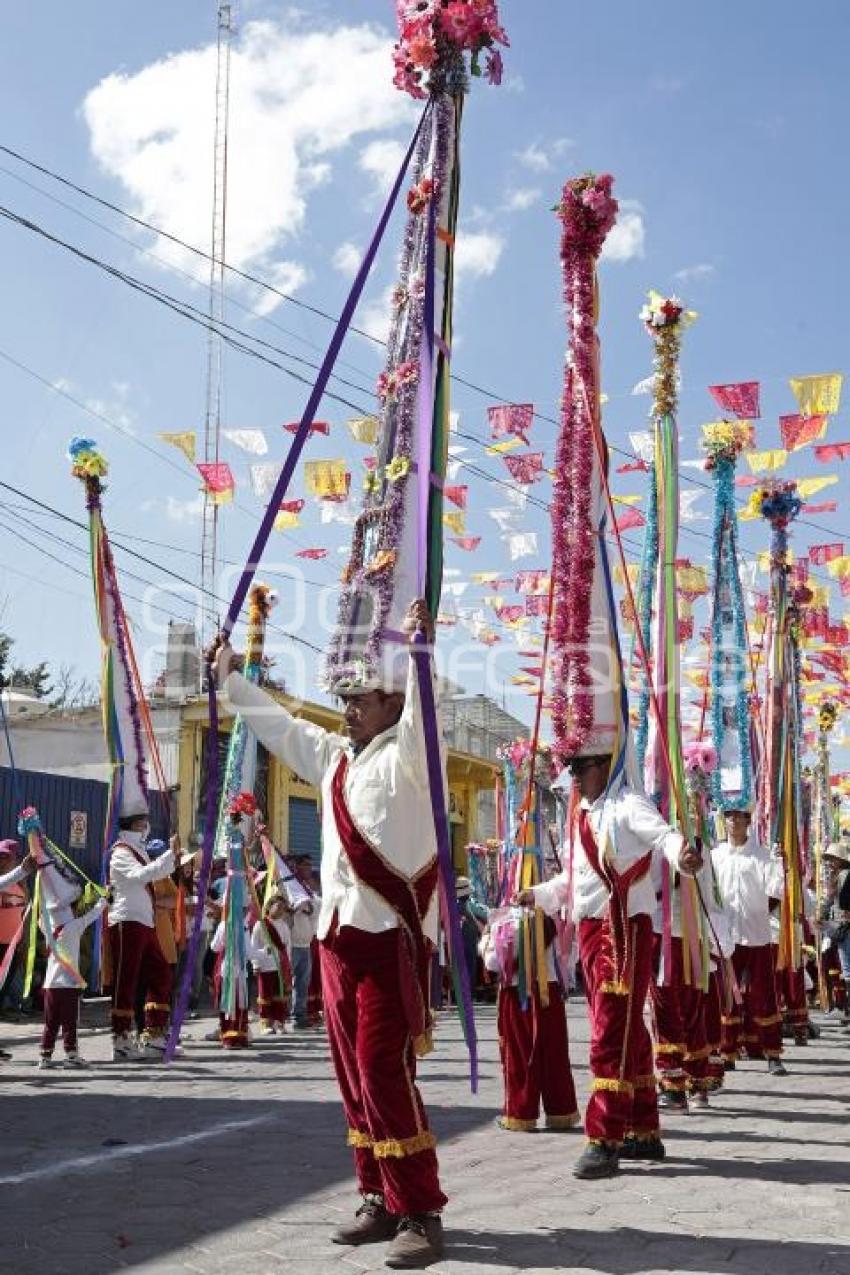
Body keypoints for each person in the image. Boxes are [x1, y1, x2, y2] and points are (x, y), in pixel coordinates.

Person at [212, 597, 447, 1269]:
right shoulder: (336, 758)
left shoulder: (411, 756)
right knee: (351, 1075)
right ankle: (378, 1195)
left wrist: (421, 652)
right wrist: (231, 678)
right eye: (344, 699)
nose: (347, 709)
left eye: (360, 699)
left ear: (393, 703)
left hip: (388, 940)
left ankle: (421, 1209)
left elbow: (425, 715)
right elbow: (280, 726)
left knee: (381, 1069)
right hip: (337, 939)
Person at [515, 750, 701, 1179]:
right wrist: (539, 894)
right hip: (591, 932)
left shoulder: (628, 804)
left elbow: (665, 836)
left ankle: (604, 1137)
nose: (575, 777)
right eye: (572, 770)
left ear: (604, 765)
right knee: (628, 1031)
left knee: (609, 1032)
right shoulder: (581, 814)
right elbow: (573, 880)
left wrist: (684, 856)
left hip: (622, 931)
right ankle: (643, 1128)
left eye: (581, 768)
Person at [481, 906, 579, 1133]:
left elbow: (493, 962)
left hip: (517, 995)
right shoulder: (554, 920)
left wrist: (485, 938)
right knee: (554, 1055)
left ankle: (521, 1113)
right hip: (550, 993)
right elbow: (570, 956)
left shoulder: (505, 921)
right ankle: (561, 1112)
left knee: (520, 1054)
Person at [711, 806, 787, 1075]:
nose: (733, 821)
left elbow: (776, 891)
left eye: (738, 816)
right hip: (726, 938)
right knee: (726, 996)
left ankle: (772, 1052)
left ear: (747, 820)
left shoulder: (762, 856)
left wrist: (781, 865)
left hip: (756, 936)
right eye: (728, 816)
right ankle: (727, 1050)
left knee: (763, 995)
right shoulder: (716, 855)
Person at [107, 806, 183, 1061]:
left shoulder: (138, 850)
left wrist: (172, 856)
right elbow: (140, 875)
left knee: (162, 974)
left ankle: (154, 1035)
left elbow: (156, 872)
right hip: (127, 920)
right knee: (126, 981)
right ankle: (121, 1040)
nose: (146, 827)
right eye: (142, 823)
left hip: (145, 921)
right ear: (133, 824)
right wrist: (169, 854)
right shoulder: (120, 852)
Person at [40, 889, 109, 1069]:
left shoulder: (47, 927)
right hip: (69, 984)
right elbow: (93, 915)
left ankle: (45, 1056)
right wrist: (104, 900)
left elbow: (41, 916)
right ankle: (71, 1054)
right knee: (69, 1022)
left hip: (50, 984)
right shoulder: (74, 926)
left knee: (50, 1022)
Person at [285, 853, 319, 1030]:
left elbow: (315, 909)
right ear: (296, 867)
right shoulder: (290, 886)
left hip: (306, 942)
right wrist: (300, 907)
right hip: (291, 942)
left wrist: (309, 908)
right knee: (287, 981)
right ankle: (279, 1016)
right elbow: (285, 909)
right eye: (305, 865)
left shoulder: (307, 888)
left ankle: (299, 1015)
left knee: (303, 983)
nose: (308, 868)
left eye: (310, 865)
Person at [252, 893, 292, 1035]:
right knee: (265, 995)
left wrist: (288, 964)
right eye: (278, 907)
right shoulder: (261, 924)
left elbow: (287, 946)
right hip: (265, 966)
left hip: (280, 966)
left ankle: (279, 1022)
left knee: (279, 995)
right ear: (269, 907)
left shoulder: (284, 926)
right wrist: (255, 964)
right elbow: (254, 944)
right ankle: (265, 1023)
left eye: (283, 908)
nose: (281, 911)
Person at [820, 838, 850, 1025]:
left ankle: (845, 1009)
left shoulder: (844, 876)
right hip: (839, 925)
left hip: (844, 926)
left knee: (847, 968)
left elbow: (837, 902)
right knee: (842, 967)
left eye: (833, 858)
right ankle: (843, 1008)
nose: (830, 862)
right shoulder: (839, 876)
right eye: (829, 858)